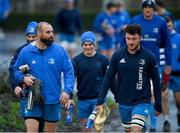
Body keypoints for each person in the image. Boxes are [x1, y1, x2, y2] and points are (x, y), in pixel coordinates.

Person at [96, 24, 162, 132]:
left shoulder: (149, 56)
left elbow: (156, 81)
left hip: (142, 101)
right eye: (128, 38)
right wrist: (100, 100)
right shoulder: (117, 55)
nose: (131, 42)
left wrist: (158, 104)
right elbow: (108, 78)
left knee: (135, 130)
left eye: (134, 39)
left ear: (140, 38)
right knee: (129, 130)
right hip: (124, 102)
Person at [13, 22, 75, 132]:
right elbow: (16, 70)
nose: (52, 35)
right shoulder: (26, 51)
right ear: (38, 34)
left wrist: (67, 91)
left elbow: (69, 72)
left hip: (53, 98)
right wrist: (23, 78)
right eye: (48, 32)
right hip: (31, 98)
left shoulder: (59, 51)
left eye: (52, 32)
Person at [132, 0, 172, 131]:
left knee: (154, 94)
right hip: (138, 63)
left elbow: (167, 44)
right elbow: (127, 39)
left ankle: (153, 126)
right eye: (145, 7)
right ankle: (143, 123)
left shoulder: (160, 22)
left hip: (156, 65)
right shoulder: (135, 20)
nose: (147, 10)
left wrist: (168, 63)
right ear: (142, 8)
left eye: (150, 7)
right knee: (141, 95)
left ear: (153, 9)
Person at [71, 31, 117, 132]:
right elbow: (70, 80)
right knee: (86, 128)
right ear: (82, 45)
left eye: (90, 44)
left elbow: (111, 79)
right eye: (85, 44)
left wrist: (117, 95)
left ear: (94, 44)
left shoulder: (103, 60)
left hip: (99, 99)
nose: (88, 47)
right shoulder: (76, 61)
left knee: (98, 127)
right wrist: (69, 96)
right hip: (83, 99)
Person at [9, 21, 45, 132]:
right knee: (31, 124)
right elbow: (13, 69)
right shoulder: (21, 51)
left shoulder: (46, 49)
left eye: (33, 36)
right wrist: (16, 86)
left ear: (38, 36)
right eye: (28, 36)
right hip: (27, 93)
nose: (30, 39)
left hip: (44, 94)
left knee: (42, 126)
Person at [165, 16, 180, 130]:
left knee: (178, 99)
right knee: (164, 96)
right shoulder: (160, 39)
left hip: (176, 73)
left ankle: (179, 113)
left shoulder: (178, 38)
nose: (168, 28)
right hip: (164, 72)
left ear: (172, 25)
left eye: (169, 25)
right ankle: (166, 121)